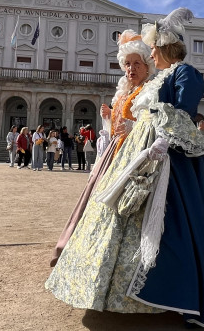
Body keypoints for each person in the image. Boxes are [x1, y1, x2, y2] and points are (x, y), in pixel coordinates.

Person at [46, 7, 204, 327]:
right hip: (144, 148)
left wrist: (162, 139)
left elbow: (182, 111)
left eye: (152, 50)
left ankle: (182, 291)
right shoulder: (159, 78)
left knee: (175, 225)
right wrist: (136, 133)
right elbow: (148, 113)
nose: (150, 55)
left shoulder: (185, 73)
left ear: (161, 48)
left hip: (170, 158)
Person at [50, 30, 155, 266]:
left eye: (137, 63)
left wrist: (131, 127)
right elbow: (115, 128)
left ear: (148, 65)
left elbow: (152, 125)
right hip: (115, 154)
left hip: (136, 157)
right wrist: (108, 117)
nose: (131, 69)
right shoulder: (125, 92)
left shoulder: (150, 91)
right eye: (127, 64)